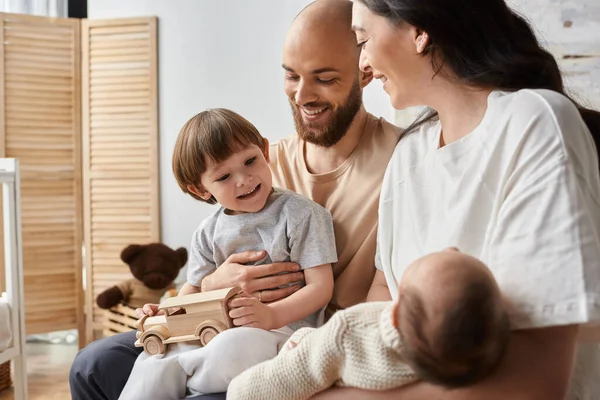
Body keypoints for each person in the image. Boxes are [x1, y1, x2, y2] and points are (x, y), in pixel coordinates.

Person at [69, 1, 402, 399]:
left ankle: (185, 379)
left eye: (325, 78)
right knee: (93, 365)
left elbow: (347, 292)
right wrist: (209, 286)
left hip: (299, 335)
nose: (302, 94)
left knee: (217, 370)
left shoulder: (402, 160)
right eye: (291, 76)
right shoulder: (264, 160)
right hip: (217, 321)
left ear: (365, 71)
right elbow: (196, 285)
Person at [306, 0, 600, 399]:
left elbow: (537, 380)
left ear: (418, 32)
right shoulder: (409, 155)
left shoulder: (533, 122)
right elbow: (383, 299)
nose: (362, 66)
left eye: (363, 39)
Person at [117, 108, 337, 400]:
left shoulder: (301, 214)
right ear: (200, 189)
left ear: (264, 150)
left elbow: (321, 288)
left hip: (282, 333)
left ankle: (188, 381)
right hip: (215, 330)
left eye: (250, 161)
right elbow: (192, 291)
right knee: (152, 360)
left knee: (230, 349)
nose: (244, 179)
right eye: (223, 176)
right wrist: (164, 312)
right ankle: (180, 374)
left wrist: (270, 315)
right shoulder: (208, 232)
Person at [227, 248, 511, 400]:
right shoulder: (445, 358)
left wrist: (237, 392)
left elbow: (292, 373)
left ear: (396, 315)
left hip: (298, 354)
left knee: (229, 351)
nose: (451, 248)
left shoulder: (350, 332)